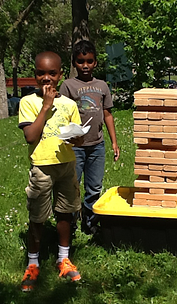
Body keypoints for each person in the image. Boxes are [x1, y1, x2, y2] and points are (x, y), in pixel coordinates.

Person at [18, 51, 84, 291]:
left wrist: (77, 139)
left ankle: (63, 258)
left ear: (60, 75)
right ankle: (33, 263)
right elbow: (30, 136)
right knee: (37, 216)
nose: (46, 78)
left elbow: (76, 138)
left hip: (66, 165)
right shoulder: (28, 102)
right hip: (42, 168)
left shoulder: (69, 104)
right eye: (41, 73)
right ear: (34, 75)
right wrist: (46, 107)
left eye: (52, 73)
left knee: (66, 212)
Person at [59, 40, 120, 235]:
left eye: (89, 61)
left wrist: (114, 142)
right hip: (75, 146)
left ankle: (90, 221)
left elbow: (108, 114)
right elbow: (61, 116)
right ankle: (71, 222)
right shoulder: (68, 86)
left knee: (94, 187)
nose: (85, 65)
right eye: (80, 61)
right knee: (72, 186)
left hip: (97, 146)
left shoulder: (102, 85)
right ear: (74, 63)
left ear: (95, 63)